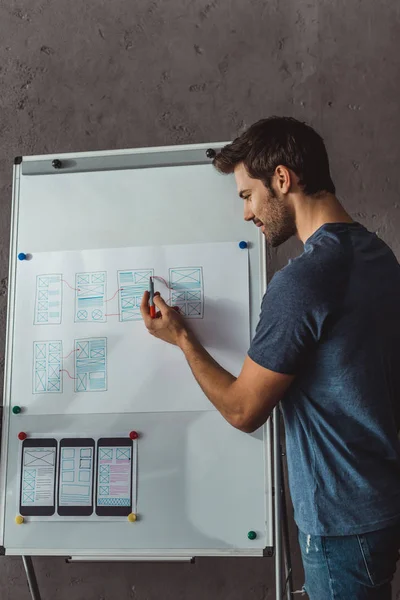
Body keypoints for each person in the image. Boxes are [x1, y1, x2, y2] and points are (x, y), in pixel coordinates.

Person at [140, 116, 400, 600]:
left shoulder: (303, 281)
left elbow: (243, 409)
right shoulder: (378, 256)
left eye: (246, 195)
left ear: (282, 180)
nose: (246, 214)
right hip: (379, 505)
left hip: (341, 523)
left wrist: (182, 338)